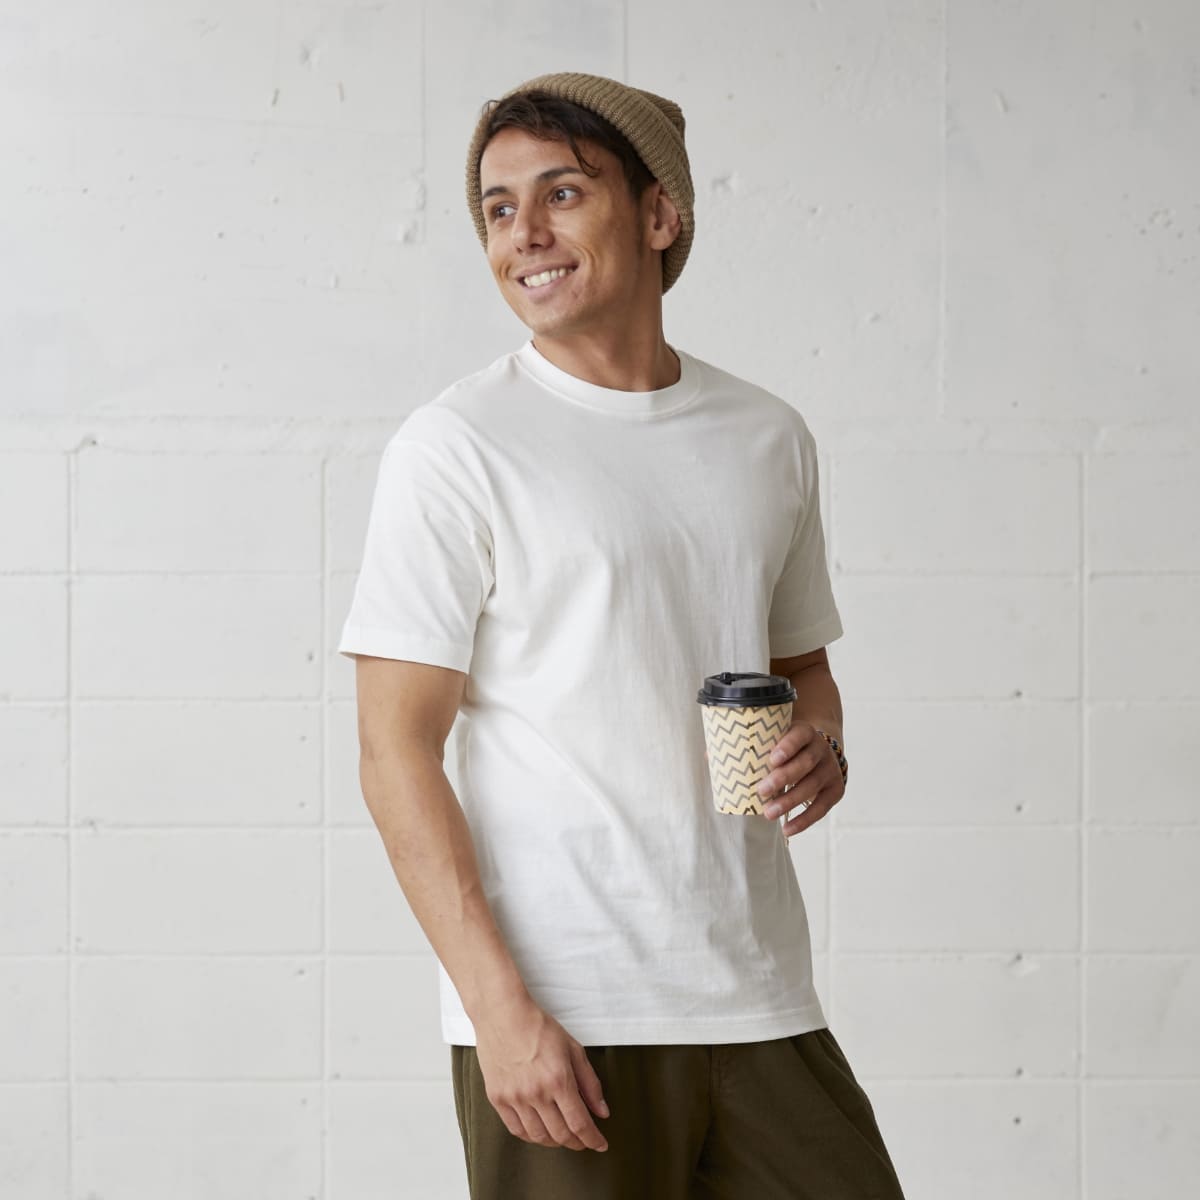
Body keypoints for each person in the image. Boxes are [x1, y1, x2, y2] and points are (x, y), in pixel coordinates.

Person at [338, 71, 906, 1200]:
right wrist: (500, 1013)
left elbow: (802, 669)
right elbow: (394, 749)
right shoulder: (457, 447)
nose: (524, 235)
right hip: (564, 1015)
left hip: (757, 995)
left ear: (659, 213)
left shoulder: (766, 436)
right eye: (498, 208)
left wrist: (824, 744)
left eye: (562, 194)